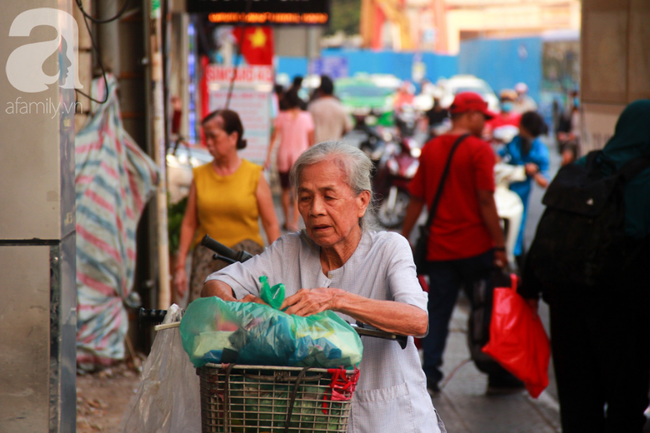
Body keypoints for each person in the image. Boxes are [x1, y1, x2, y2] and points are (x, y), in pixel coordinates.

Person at [203, 141, 446, 433]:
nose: (315, 210)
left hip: (391, 418)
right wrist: (243, 309)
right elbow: (216, 283)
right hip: (317, 421)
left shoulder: (389, 248)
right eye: (305, 198)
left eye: (329, 196)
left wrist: (335, 299)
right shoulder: (289, 249)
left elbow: (417, 320)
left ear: (361, 201)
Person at [521, 100, 650, 432]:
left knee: (578, 402)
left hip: (565, 302)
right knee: (626, 404)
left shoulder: (582, 166)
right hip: (623, 309)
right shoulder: (644, 179)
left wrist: (530, 286)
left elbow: (549, 228)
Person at [401, 92, 520, 395]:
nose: (486, 124)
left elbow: (416, 199)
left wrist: (403, 238)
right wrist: (500, 245)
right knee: (485, 311)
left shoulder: (430, 148)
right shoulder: (480, 150)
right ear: (469, 115)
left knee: (438, 312)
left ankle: (430, 376)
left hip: (440, 249)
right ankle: (496, 372)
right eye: (483, 117)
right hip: (476, 249)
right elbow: (485, 200)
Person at [174, 109, 280, 303]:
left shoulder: (254, 174)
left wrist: (278, 269)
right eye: (207, 137)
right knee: (206, 321)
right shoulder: (200, 175)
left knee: (248, 320)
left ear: (233, 137)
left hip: (246, 261)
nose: (209, 143)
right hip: (206, 260)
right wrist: (180, 266)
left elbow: (271, 223)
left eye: (214, 136)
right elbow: (189, 224)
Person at [497, 111, 550, 267]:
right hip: (503, 190)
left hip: (520, 197)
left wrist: (534, 173)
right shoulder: (514, 141)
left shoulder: (540, 150)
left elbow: (545, 181)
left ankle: (516, 262)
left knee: (517, 231)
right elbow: (499, 157)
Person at [265, 89, 315, 231]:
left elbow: (274, 138)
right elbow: (312, 141)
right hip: (301, 158)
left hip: (283, 157)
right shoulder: (306, 117)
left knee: (285, 190)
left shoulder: (281, 116)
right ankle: (294, 222)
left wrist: (267, 157)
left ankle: (286, 221)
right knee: (298, 191)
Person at [308, 75, 352, 144]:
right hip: (334, 147)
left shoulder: (313, 106)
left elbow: (308, 130)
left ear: (320, 90)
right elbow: (348, 127)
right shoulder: (339, 106)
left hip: (317, 148)